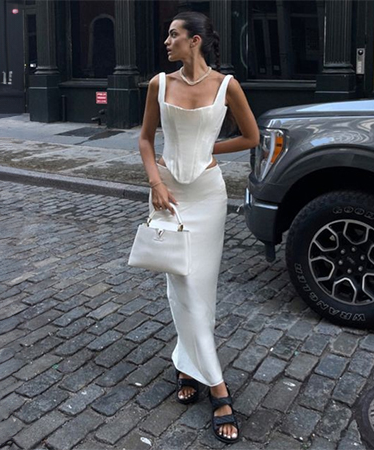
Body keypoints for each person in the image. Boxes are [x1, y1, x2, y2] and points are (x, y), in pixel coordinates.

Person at [138, 11, 259, 444]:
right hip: (169, 195)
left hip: (208, 198)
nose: (166, 41)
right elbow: (147, 139)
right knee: (180, 287)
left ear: (196, 41)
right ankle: (216, 387)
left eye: (173, 35)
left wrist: (211, 150)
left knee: (199, 288)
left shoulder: (227, 86)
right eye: (167, 35)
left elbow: (251, 136)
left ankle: (192, 367)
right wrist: (155, 182)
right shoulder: (159, 83)